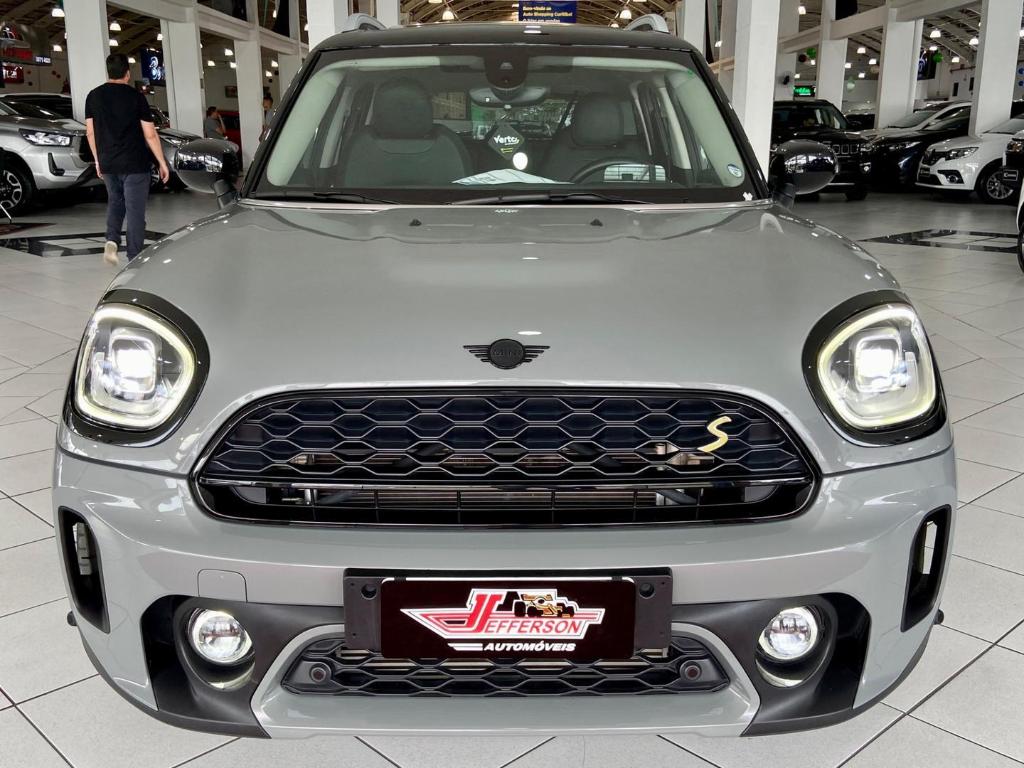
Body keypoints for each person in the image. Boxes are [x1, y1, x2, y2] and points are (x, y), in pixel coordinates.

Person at [85, 53, 169, 266]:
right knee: (135, 211)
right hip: (135, 163)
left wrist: (97, 160)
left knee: (115, 201)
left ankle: (112, 239)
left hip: (108, 162)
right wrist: (161, 162)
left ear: (108, 72)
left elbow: (90, 133)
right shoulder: (136, 97)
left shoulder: (93, 96)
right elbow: (150, 134)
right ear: (128, 73)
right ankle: (134, 257)